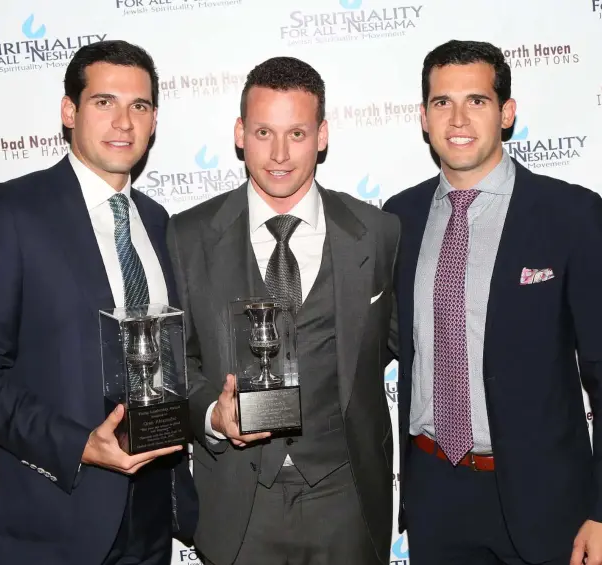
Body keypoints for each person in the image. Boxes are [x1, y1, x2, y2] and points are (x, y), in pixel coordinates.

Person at [383, 39, 602, 565]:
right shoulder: (399, 218)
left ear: (506, 113)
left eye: (476, 101)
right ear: (423, 117)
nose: (458, 118)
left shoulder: (569, 215)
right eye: (442, 102)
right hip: (434, 494)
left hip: (548, 502)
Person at [0, 40, 197, 565]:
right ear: (69, 111)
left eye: (140, 106)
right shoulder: (10, 212)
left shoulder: (158, 222)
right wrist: (81, 444)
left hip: (153, 512)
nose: (123, 122)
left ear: (154, 121)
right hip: (58, 516)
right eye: (105, 102)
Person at [166, 56, 400, 565]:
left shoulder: (378, 232)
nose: (278, 154)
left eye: (296, 133)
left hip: (347, 499)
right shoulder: (187, 236)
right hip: (237, 503)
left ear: (321, 136)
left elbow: (410, 344)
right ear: (239, 134)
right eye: (263, 132)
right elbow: (175, 365)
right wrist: (211, 412)